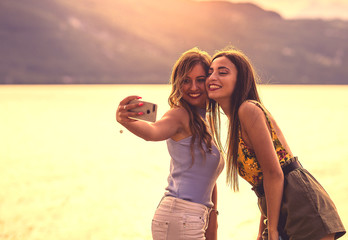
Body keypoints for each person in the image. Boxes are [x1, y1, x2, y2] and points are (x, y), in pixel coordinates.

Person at [205, 47, 346, 240]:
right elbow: (265, 182)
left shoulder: (248, 110)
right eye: (210, 72)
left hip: (301, 206)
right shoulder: (236, 122)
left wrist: (271, 230)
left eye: (222, 72)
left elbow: (274, 173)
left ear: (240, 80)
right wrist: (263, 230)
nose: (212, 77)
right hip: (280, 209)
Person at [116, 47, 224, 240]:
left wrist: (212, 223)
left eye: (200, 80)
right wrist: (126, 120)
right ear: (178, 84)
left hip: (192, 218)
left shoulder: (205, 122)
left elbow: (210, 179)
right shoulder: (179, 115)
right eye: (186, 81)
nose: (193, 87)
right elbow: (153, 131)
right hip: (179, 217)